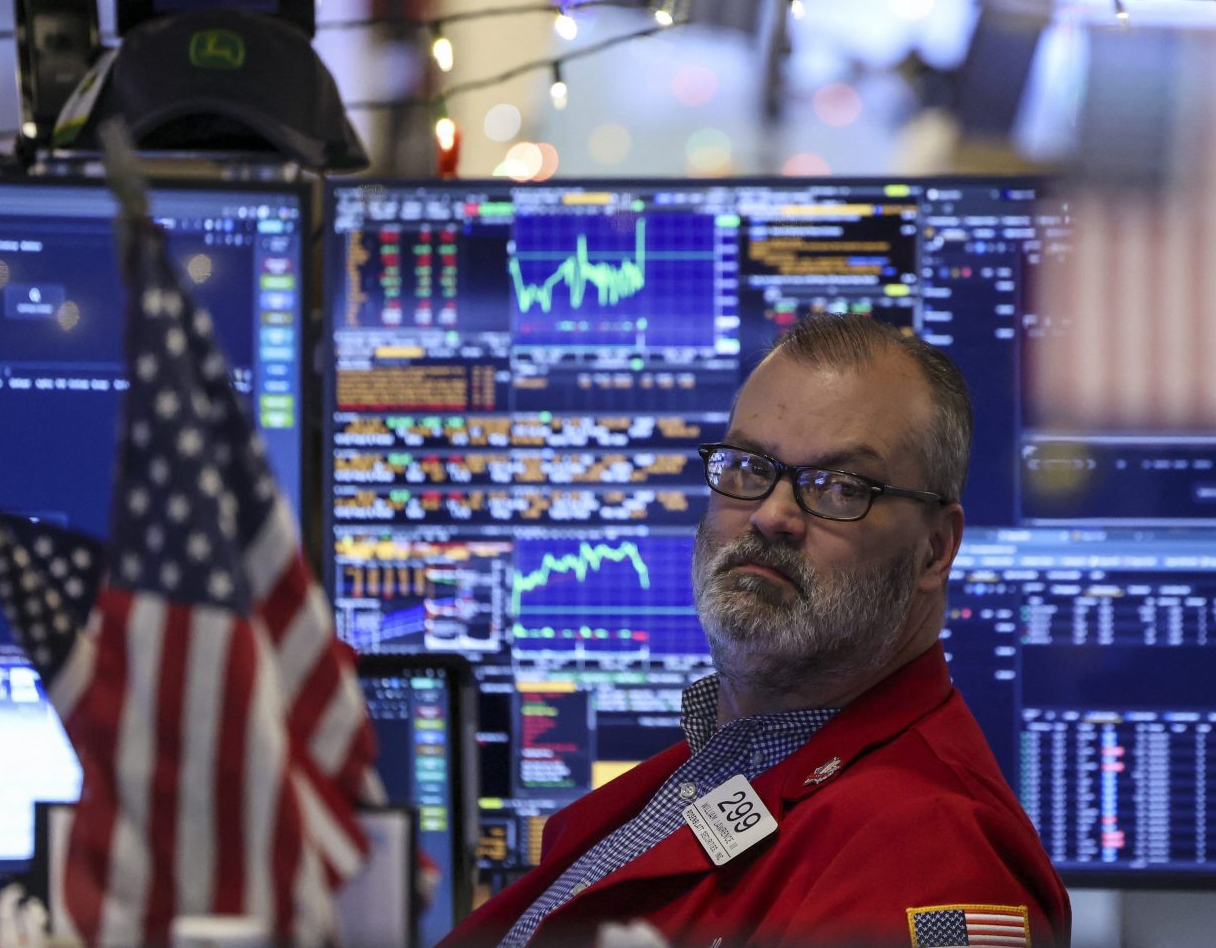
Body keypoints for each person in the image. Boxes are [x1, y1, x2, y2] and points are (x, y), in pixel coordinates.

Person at [442, 314, 1071, 948]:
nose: (771, 515)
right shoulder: (721, 768)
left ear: (935, 550)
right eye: (748, 467)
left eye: (838, 487)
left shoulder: (939, 854)